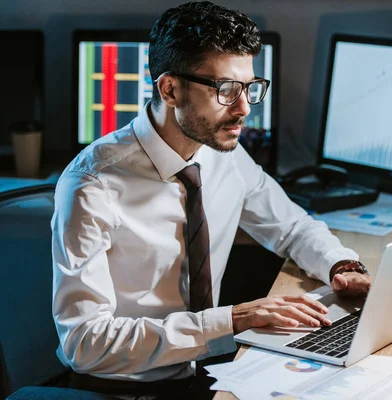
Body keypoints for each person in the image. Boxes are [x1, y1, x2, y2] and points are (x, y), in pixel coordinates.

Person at [51, 1, 372, 399]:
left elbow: (291, 227)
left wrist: (341, 264)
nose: (244, 110)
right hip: (122, 389)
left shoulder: (223, 152)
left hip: (209, 376)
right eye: (225, 90)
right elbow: (85, 344)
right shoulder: (92, 184)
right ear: (170, 89)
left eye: (250, 88)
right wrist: (233, 319)